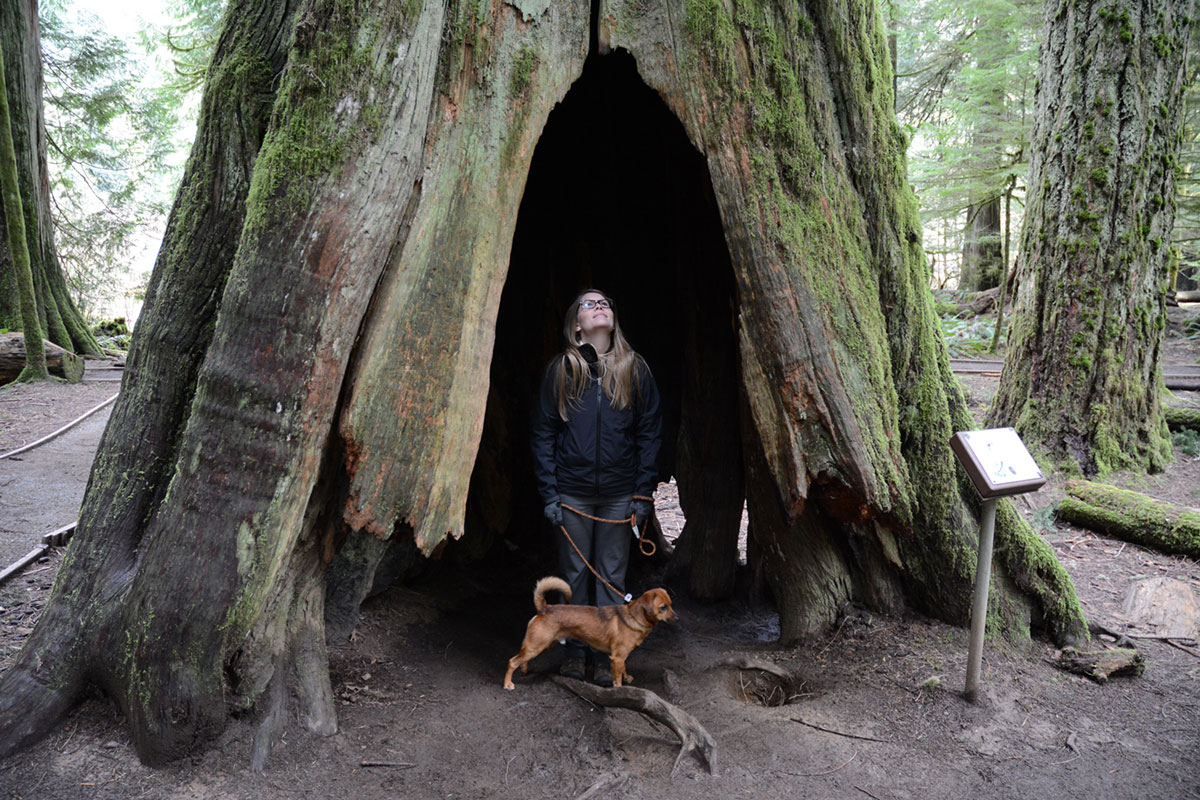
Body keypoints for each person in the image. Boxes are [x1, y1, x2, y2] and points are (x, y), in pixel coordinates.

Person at [530, 289, 663, 686]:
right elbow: (543, 434)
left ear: (613, 319)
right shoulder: (562, 371)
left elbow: (649, 433)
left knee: (610, 576)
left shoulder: (634, 369)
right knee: (574, 574)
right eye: (589, 304)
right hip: (572, 493)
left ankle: (607, 656)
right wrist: (550, 494)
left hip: (619, 495)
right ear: (576, 325)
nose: (599, 306)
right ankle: (574, 652)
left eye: (604, 303)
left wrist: (642, 493)